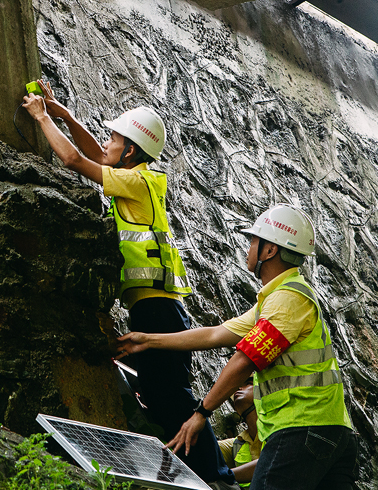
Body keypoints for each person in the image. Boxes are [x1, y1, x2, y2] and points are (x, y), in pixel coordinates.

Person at [23, 81, 237, 488]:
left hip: (158, 309)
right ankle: (202, 471)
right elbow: (95, 155)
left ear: (132, 150)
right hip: (157, 306)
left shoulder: (137, 182)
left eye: (115, 138)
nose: (108, 144)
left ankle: (216, 477)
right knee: (162, 393)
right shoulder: (135, 177)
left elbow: (72, 158)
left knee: (170, 394)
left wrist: (41, 117)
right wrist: (65, 115)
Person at [116, 204, 358, 490]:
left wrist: (201, 414)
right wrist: (147, 340)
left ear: (269, 251)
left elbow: (244, 361)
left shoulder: (287, 301)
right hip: (330, 432)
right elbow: (216, 335)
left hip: (302, 430)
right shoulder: (277, 299)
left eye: (254, 241)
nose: (249, 247)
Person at [218, 376, 261, 488]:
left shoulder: (280, 435)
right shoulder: (238, 443)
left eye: (248, 384)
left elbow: (272, 461)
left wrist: (226, 475)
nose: (239, 388)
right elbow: (206, 450)